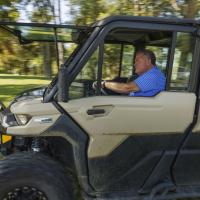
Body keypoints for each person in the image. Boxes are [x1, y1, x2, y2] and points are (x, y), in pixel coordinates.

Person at [101, 49, 166, 97]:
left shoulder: (154, 75)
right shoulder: (150, 75)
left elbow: (126, 88)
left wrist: (104, 84)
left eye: (137, 61)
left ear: (148, 61)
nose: (134, 64)